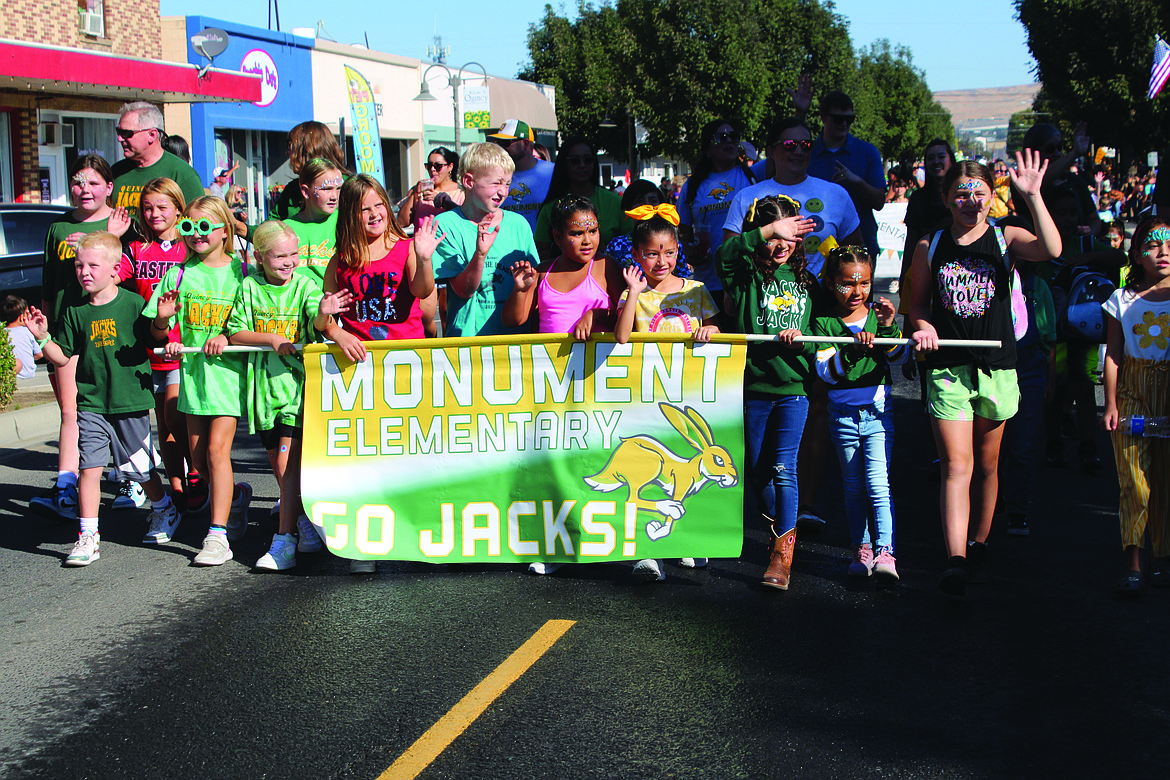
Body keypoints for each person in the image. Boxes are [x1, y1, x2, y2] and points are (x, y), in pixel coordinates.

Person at [908, 151, 1062, 597]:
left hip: (997, 366)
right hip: (948, 369)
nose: (971, 200)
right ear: (946, 198)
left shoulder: (1006, 235)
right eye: (962, 192)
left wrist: (1032, 196)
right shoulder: (929, 245)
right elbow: (917, 302)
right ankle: (955, 559)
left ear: (992, 198)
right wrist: (924, 326)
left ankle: (979, 544)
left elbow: (1051, 249)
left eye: (980, 192)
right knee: (957, 465)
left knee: (988, 464)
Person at [24, 231, 178, 567]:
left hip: (129, 401)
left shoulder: (133, 303)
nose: (85, 272)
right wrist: (42, 337)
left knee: (137, 468)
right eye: (79, 265)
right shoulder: (75, 310)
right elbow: (62, 357)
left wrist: (162, 318)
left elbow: (154, 339)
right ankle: (88, 536)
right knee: (89, 469)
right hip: (91, 404)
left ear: (115, 268)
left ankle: (164, 507)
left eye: (93, 265)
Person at [318, 176, 439, 572]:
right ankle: (364, 543)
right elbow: (325, 316)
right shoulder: (341, 259)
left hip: (405, 366)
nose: (373, 215)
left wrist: (423, 257)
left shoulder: (404, 247)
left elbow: (422, 292)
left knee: (412, 453)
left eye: (378, 205)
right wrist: (334, 331)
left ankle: (420, 533)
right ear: (350, 215)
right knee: (364, 458)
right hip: (360, 371)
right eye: (363, 208)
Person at [717, 195, 818, 590]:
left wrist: (804, 343)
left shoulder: (807, 281)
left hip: (794, 388)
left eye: (790, 238)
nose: (781, 247)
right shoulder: (745, 276)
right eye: (774, 237)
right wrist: (764, 231)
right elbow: (724, 255)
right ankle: (781, 529)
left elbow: (823, 334)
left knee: (783, 468)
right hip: (752, 388)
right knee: (758, 473)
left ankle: (781, 555)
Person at [615, 207, 720, 582]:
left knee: (691, 472)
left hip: (691, 394)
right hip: (647, 395)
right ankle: (647, 551)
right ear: (637, 254)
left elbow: (715, 329)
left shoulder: (695, 290)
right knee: (652, 473)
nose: (661, 260)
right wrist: (633, 293)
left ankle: (687, 540)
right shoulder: (636, 293)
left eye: (669, 252)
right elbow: (623, 337)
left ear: (679, 252)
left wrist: (713, 333)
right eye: (651, 253)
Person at [145, 197, 252, 566]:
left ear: (224, 229)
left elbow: (250, 325)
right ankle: (235, 497)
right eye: (188, 227)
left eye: (204, 227)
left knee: (215, 453)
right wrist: (163, 323)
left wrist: (229, 336)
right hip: (193, 379)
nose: (195, 235)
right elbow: (158, 333)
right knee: (201, 463)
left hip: (228, 377)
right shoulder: (177, 274)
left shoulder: (242, 274)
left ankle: (217, 535)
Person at [226, 220, 336, 570]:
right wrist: (272, 339)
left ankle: (283, 541)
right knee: (279, 465)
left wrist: (322, 316)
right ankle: (303, 520)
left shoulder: (305, 284)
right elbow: (236, 333)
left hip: (297, 391)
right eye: (279, 256)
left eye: (294, 254)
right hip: (263, 392)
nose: (289, 261)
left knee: (288, 467)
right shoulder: (249, 286)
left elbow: (317, 322)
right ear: (259, 257)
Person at [30, 155, 130, 522]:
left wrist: (109, 238)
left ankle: (127, 477)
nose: (83, 189)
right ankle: (65, 486)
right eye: (77, 182)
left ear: (108, 187)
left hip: (106, 331)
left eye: (92, 182)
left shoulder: (119, 223)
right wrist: (43, 331)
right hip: (65, 331)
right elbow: (49, 283)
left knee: (117, 410)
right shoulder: (57, 227)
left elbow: (127, 277)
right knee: (71, 410)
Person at [812, 246, 909, 584]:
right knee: (853, 487)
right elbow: (826, 374)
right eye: (847, 284)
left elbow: (898, 359)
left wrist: (887, 327)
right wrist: (852, 351)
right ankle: (861, 548)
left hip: (878, 413)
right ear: (830, 282)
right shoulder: (823, 324)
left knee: (878, 485)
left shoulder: (879, 318)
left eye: (864, 283)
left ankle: (886, 551)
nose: (857, 292)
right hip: (841, 414)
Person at [117, 177, 197, 517]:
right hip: (149, 346)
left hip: (183, 347)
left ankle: (197, 470)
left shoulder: (189, 247)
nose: (154, 214)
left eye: (163, 207)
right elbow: (112, 273)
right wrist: (114, 236)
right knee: (162, 425)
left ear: (179, 209)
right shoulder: (136, 249)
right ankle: (176, 482)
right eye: (147, 208)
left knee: (174, 413)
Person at [1102, 218, 1170, 594]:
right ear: (1137, 253)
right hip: (1132, 395)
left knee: (1163, 480)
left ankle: (1163, 557)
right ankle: (1134, 562)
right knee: (1134, 482)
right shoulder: (1121, 299)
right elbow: (1112, 355)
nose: (1163, 253)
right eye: (1154, 245)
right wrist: (1110, 403)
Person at [724, 118, 862, 281]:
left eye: (806, 145)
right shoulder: (746, 197)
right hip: (763, 300)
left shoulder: (836, 194)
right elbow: (728, 255)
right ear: (771, 151)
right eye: (789, 144)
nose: (798, 151)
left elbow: (855, 253)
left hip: (822, 301)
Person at [432, 142, 540, 337]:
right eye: (496, 183)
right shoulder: (446, 225)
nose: (503, 191)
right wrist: (480, 254)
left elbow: (535, 286)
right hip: (469, 346)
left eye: (507, 183)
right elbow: (464, 291)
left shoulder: (518, 224)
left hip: (516, 344)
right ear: (468, 181)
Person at [503, 195, 622, 340]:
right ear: (558, 237)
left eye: (593, 231)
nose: (587, 240)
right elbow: (512, 321)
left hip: (595, 362)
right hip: (550, 361)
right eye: (577, 233)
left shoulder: (606, 266)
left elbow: (628, 317)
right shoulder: (542, 272)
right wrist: (520, 290)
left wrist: (597, 314)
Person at [796, 90, 887, 260]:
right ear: (823, 117)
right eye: (838, 119)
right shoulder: (807, 152)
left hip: (859, 249)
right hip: (811, 251)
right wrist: (800, 114)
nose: (844, 123)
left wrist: (857, 181)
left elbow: (879, 202)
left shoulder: (867, 152)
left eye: (849, 119)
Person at [677, 119, 758, 308]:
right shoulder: (693, 185)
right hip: (708, 280)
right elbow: (684, 230)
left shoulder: (752, 175)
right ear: (708, 148)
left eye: (734, 136)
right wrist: (690, 251)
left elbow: (782, 155)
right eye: (722, 137)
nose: (729, 141)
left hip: (746, 278)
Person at [110, 102, 205, 224]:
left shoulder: (182, 174)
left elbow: (197, 223)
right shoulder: (116, 171)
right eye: (118, 132)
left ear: (152, 135)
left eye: (127, 134)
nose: (120, 139)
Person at [534, 137, 624, 258]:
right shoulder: (550, 208)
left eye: (587, 160)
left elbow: (631, 243)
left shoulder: (616, 202)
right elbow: (541, 251)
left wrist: (607, 253)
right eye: (575, 160)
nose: (582, 165)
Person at [285, 158, 345, 285]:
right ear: (306, 192)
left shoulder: (345, 222)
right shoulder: (286, 228)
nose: (334, 196)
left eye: (338, 188)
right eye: (327, 189)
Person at [489, 119, 555, 232]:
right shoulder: (493, 175)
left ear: (525, 144)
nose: (500, 148)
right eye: (498, 143)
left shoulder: (552, 172)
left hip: (545, 247)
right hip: (508, 247)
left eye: (506, 143)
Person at [276, 121, 349, 220]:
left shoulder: (351, 187)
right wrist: (247, 229)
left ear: (306, 150)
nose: (287, 153)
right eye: (327, 189)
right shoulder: (293, 190)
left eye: (290, 147)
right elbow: (271, 226)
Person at [397, 147, 464, 229]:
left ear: (450, 167)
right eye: (429, 166)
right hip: (422, 241)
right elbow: (401, 222)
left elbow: (466, 221)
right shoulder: (418, 191)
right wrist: (413, 194)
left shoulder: (462, 193)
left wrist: (445, 203)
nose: (432, 170)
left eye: (438, 166)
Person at [3, 296, 41, 380]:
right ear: (21, 317)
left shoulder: (2, 333)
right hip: (28, 374)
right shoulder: (28, 331)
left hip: (9, 376)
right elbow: (39, 354)